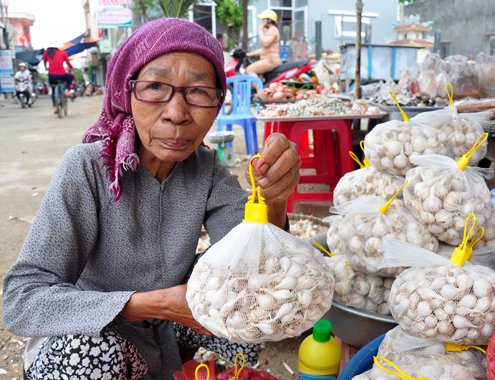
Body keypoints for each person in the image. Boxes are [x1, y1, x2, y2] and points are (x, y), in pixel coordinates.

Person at [2, 18, 301, 380]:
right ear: (125, 93)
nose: (176, 114)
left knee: (246, 312)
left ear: (218, 101)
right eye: (155, 86)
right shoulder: (86, 167)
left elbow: (256, 266)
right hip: (91, 336)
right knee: (93, 354)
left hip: (165, 333)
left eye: (198, 91)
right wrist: (147, 305)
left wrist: (274, 198)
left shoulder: (205, 167)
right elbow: (21, 301)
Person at [246, 10, 281, 79]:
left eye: (263, 20)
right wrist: (248, 54)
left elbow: (265, 43)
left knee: (249, 70)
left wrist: (260, 31)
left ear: (269, 21)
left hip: (271, 60)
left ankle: (258, 89)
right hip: (268, 59)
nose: (262, 22)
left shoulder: (273, 30)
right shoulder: (270, 30)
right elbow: (264, 50)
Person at [43, 43, 74, 114]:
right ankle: (66, 91)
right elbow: (68, 63)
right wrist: (72, 68)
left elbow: (44, 62)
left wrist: (46, 68)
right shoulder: (63, 53)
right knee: (71, 77)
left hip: (51, 76)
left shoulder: (46, 52)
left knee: (53, 90)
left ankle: (55, 107)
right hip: (62, 75)